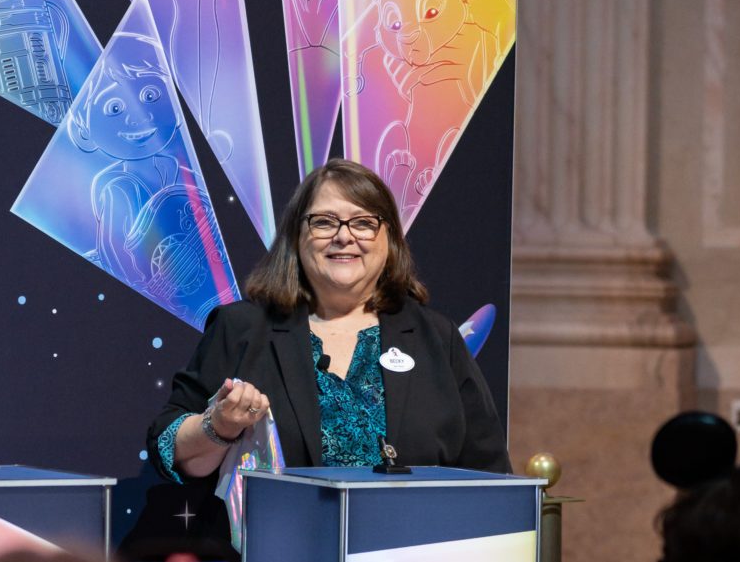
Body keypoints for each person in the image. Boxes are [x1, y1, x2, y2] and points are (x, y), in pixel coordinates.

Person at [146, 158, 511, 486]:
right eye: (323, 222)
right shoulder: (242, 328)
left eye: (364, 223)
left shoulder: (437, 337)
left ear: (390, 239)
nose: (344, 236)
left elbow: (489, 476)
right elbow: (167, 445)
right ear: (296, 237)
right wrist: (219, 426)